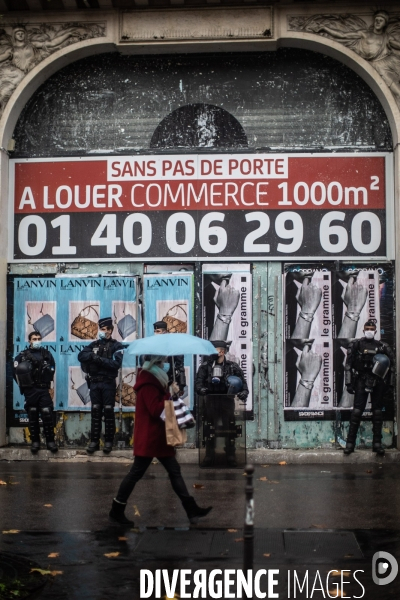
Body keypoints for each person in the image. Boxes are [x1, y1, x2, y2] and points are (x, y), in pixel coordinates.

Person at [109, 355, 212, 525]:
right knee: (136, 473)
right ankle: (116, 510)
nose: (164, 364)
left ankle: (191, 509)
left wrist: (170, 392)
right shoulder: (148, 382)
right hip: (150, 437)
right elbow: (155, 410)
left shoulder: (156, 379)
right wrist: (168, 395)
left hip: (159, 436)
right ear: (155, 363)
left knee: (174, 471)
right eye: (162, 361)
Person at [344, 320, 394, 456]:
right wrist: (348, 383)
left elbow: (391, 367)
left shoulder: (382, 346)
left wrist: (390, 385)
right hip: (361, 379)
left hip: (378, 381)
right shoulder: (356, 345)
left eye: (372, 328)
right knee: (357, 412)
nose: (369, 330)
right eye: (367, 328)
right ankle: (350, 444)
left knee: (377, 412)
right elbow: (348, 365)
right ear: (364, 330)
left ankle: (377, 444)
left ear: (376, 331)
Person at [195, 340, 248, 467]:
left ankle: (230, 454)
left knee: (229, 428)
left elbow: (243, 384)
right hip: (211, 401)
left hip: (227, 401)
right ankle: (209, 454)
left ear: (222, 352)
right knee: (209, 428)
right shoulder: (205, 367)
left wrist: (243, 392)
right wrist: (202, 389)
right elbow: (198, 383)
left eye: (215, 350)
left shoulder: (232, 366)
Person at [78, 317, 124, 455]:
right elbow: (81, 356)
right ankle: (94, 441)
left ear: (110, 330)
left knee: (109, 411)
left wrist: (98, 359)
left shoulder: (117, 346)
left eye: (106, 329)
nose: (103, 332)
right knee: (96, 411)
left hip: (108, 382)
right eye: (101, 329)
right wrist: (93, 356)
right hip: (95, 383)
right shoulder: (93, 345)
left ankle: (109, 442)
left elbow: (116, 364)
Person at [13, 331, 57, 454]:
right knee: (32, 414)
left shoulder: (47, 354)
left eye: (39, 338)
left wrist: (51, 387)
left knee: (47, 413)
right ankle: (35, 442)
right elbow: (15, 372)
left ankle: (50, 441)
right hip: (31, 390)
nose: (37, 340)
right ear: (30, 341)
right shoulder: (23, 356)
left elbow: (52, 371)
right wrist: (24, 386)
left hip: (43, 389)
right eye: (34, 338)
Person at [153, 320, 186, 394]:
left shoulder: (173, 345)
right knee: (156, 403)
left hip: (169, 379)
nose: (155, 333)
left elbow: (180, 366)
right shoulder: (152, 346)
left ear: (165, 332)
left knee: (169, 403)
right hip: (155, 379)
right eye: (155, 331)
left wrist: (181, 386)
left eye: (158, 331)